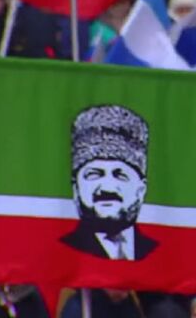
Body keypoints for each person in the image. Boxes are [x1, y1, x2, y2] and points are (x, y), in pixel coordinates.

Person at [59, 105, 158, 261]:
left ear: (141, 190)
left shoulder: (159, 255)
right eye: (94, 174)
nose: (107, 187)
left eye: (120, 175)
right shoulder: (59, 253)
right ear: (76, 188)